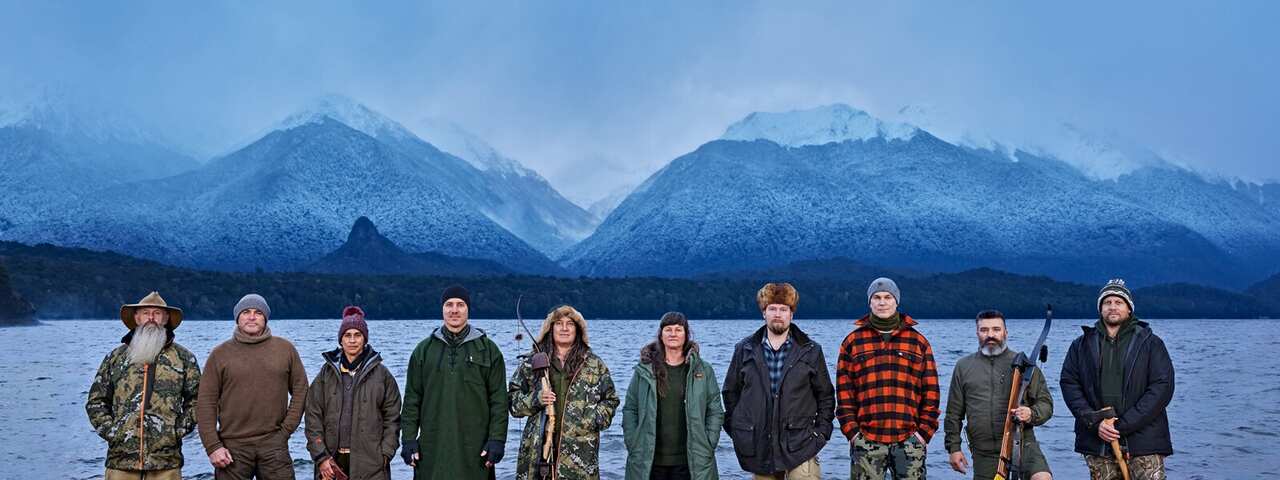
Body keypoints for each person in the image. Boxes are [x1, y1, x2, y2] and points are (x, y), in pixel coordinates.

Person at [1060, 279, 1174, 480]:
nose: (1112, 307)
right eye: (1107, 302)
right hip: (1098, 441)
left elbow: (1162, 388)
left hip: (1145, 440)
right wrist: (1095, 423)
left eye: (1119, 302)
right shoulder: (1081, 345)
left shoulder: (1150, 343)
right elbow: (1070, 384)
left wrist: (1122, 425)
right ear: (1100, 308)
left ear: (1129, 308)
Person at [722, 283, 835, 480]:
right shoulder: (745, 349)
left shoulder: (811, 350)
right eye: (772, 308)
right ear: (763, 313)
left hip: (801, 444)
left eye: (784, 309)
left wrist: (821, 433)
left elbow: (825, 396)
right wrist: (740, 431)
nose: (778, 314)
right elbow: (731, 394)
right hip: (759, 447)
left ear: (792, 314)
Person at [86, 292, 201, 480]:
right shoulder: (115, 358)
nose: (151, 318)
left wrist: (177, 431)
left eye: (157, 313)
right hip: (120, 461)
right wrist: (113, 431)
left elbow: (197, 399)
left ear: (165, 319)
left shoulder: (183, 358)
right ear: (137, 318)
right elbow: (96, 401)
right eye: (146, 313)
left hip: (166, 462)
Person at [399, 285, 508, 479]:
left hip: (476, 448)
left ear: (468, 309)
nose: (454, 310)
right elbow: (412, 399)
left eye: (460, 304)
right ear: (442, 309)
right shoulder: (423, 351)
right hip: (432, 447)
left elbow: (499, 400)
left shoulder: (488, 350)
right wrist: (408, 439)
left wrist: (497, 439)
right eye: (449, 304)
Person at [836, 277, 940, 480]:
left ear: (896, 301)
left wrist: (922, 434)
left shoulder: (918, 341)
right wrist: (853, 434)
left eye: (887, 297)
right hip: (866, 440)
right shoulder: (852, 342)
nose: (882, 302)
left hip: (909, 440)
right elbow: (844, 393)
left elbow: (931, 392)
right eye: (876, 297)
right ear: (870, 302)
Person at [198, 293, 309, 479]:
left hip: (274, 444)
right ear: (237, 318)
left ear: (265, 318)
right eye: (246, 312)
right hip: (233, 447)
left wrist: (286, 431)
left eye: (258, 312)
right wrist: (213, 446)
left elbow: (301, 391)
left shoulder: (285, 349)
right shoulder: (220, 354)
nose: (251, 317)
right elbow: (205, 403)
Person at [509, 305, 619, 480]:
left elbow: (611, 400)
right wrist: (537, 399)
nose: (565, 328)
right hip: (538, 455)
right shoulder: (533, 362)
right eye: (559, 323)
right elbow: (513, 402)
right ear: (550, 328)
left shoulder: (594, 364)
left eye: (570, 324)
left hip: (580, 457)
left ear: (578, 329)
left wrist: (591, 419)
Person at [944, 309, 1053, 480]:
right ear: (977, 333)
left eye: (996, 329)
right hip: (983, 452)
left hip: (1023, 443)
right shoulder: (963, 366)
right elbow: (953, 413)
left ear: (1005, 333)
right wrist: (954, 448)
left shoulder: (1025, 366)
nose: (990, 335)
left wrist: (1031, 413)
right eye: (984, 330)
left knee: (1042, 478)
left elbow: (1046, 403)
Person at [622, 312, 723, 480]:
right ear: (661, 335)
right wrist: (633, 442)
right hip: (650, 459)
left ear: (686, 334)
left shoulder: (703, 370)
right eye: (668, 329)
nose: (673, 334)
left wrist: (709, 442)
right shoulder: (644, 370)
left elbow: (715, 410)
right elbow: (630, 409)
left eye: (678, 329)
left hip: (690, 460)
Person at [305, 306, 401, 480]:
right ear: (341, 340)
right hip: (331, 462)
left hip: (371, 464)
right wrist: (321, 457)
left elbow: (393, 418)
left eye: (357, 335)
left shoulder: (382, 375)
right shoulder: (325, 374)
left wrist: (385, 454)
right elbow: (313, 417)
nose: (352, 340)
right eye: (347, 335)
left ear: (365, 339)